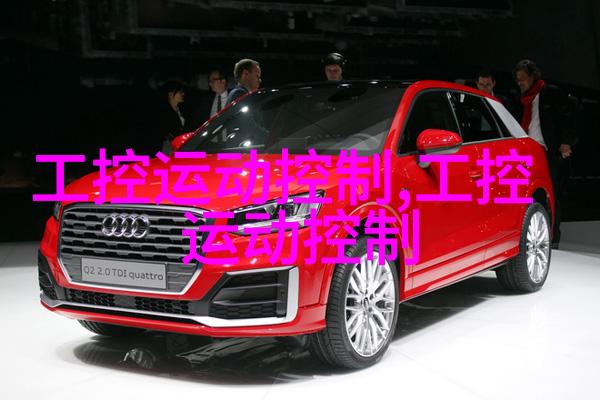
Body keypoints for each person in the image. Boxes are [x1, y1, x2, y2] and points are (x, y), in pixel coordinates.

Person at [512, 59, 578, 248]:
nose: (519, 82)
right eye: (517, 79)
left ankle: (552, 239)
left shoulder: (550, 93)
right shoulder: (519, 100)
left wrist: (567, 142)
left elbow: (573, 114)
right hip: (524, 153)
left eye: (522, 78)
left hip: (547, 153)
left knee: (551, 196)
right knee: (524, 195)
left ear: (533, 76)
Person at [157, 80, 187, 154]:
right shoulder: (164, 112)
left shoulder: (179, 110)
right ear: (170, 94)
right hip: (168, 147)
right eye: (180, 92)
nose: (183, 94)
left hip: (177, 145)